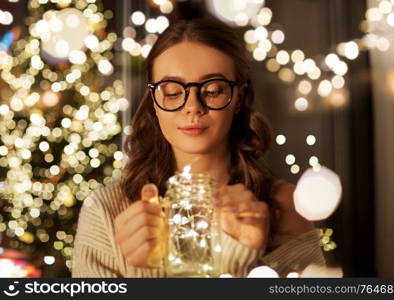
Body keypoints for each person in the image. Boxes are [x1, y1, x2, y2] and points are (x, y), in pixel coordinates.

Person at [72, 18, 325, 278]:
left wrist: (243, 258)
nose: (192, 106)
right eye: (172, 92)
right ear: (154, 102)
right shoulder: (107, 211)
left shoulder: (283, 207)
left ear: (238, 97)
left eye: (213, 90)